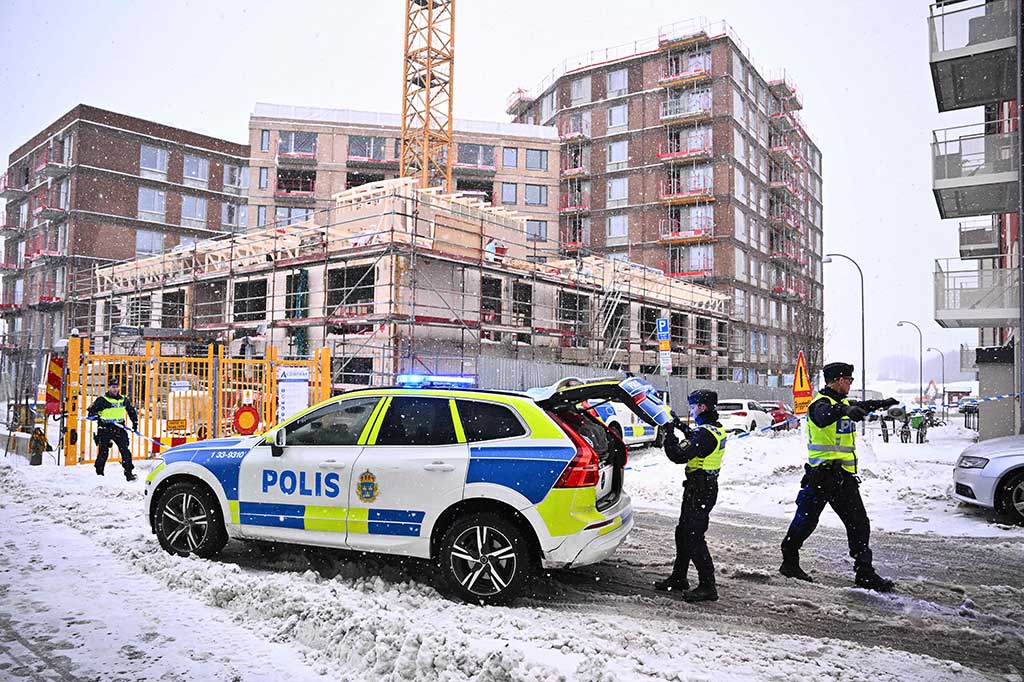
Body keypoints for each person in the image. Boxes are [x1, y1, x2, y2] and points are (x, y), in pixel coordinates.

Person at [779, 362, 899, 591]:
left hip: (842, 478)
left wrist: (883, 403)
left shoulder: (843, 403)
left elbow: (859, 405)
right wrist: (845, 410)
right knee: (805, 522)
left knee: (859, 523)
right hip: (820, 477)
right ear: (837, 380)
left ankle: (864, 573)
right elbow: (824, 416)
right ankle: (789, 561)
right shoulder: (819, 405)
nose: (850, 384)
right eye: (849, 380)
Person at [654, 389, 727, 602]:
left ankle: (708, 586)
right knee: (683, 533)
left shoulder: (705, 434)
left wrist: (668, 433)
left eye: (693, 407)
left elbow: (678, 455)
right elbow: (695, 437)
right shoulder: (713, 429)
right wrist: (679, 425)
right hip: (700, 488)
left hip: (701, 490)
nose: (692, 411)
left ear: (702, 407)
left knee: (694, 537)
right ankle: (679, 577)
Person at [87, 378, 139, 481]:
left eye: (116, 387)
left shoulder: (123, 399)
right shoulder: (102, 400)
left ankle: (129, 474)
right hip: (105, 428)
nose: (115, 389)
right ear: (108, 388)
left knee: (125, 451)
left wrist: (135, 423)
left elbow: (131, 411)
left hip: (119, 428)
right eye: (112, 387)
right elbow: (91, 413)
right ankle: (99, 474)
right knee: (103, 452)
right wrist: (96, 415)